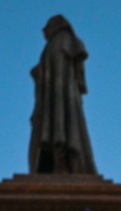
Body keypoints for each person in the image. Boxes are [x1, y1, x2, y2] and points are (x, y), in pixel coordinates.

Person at [28, 14, 97, 174]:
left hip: (60, 99)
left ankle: (62, 160)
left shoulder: (62, 41)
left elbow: (63, 72)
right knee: (55, 124)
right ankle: (57, 160)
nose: (44, 33)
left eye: (46, 29)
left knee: (61, 124)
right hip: (51, 101)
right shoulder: (53, 45)